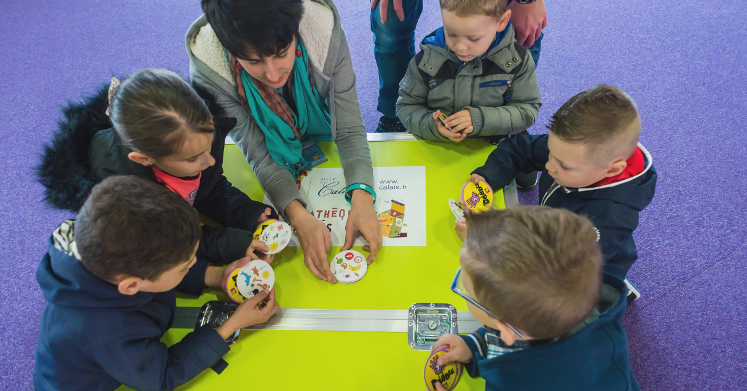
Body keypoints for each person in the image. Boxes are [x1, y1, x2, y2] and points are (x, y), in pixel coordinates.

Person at [6, 176, 279, 391]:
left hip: (76, 365)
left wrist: (219, 276)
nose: (192, 266)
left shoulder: (105, 249)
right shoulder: (109, 330)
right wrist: (230, 325)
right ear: (130, 286)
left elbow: (160, 274)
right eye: (185, 266)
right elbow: (161, 376)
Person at [187, 0, 382, 283]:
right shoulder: (211, 69)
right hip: (275, 157)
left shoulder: (323, 32)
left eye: (281, 53)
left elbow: (349, 127)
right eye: (253, 61)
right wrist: (296, 214)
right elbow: (257, 151)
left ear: (296, 31)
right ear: (228, 49)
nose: (273, 74)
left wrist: (363, 196)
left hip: (316, 132)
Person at [37, 69, 275, 267]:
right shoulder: (121, 196)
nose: (209, 161)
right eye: (193, 159)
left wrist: (246, 213)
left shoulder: (193, 136)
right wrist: (233, 243)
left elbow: (208, 189)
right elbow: (167, 242)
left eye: (209, 145)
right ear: (144, 159)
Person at [422, 206, 646, 391]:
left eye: (466, 290)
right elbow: (513, 334)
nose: (463, 288)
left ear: (507, 328)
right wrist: (473, 346)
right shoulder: (572, 309)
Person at [462, 85, 657, 280]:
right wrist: (489, 176)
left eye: (563, 165)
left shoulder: (609, 220)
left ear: (613, 169)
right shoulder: (572, 152)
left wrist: (488, 249)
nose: (549, 166)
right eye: (551, 152)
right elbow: (521, 148)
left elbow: (559, 279)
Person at [370, 0, 547, 133]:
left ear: (502, 21)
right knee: (389, 25)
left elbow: (527, 109)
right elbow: (407, 106)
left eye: (473, 38)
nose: (460, 47)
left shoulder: (518, 60)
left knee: (525, 36)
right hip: (438, 144)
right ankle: (392, 121)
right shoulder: (427, 59)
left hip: (494, 138)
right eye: (451, 34)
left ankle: (514, 134)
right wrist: (431, 126)